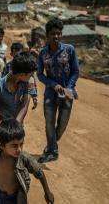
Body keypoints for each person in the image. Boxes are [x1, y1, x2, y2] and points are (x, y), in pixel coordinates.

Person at [0, 119, 54, 204]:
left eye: (21, 144)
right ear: (2, 146)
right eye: (14, 146)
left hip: (14, 199)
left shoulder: (24, 158)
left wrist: (47, 192)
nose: (19, 149)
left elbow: (39, 172)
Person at [37, 18, 79, 163]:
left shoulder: (69, 50)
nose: (56, 36)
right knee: (49, 122)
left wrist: (69, 87)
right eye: (53, 34)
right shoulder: (42, 53)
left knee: (62, 125)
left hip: (67, 94)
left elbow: (75, 71)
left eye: (59, 33)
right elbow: (40, 74)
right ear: (47, 35)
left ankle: (50, 146)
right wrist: (53, 84)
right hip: (50, 93)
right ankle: (52, 152)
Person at [0, 52, 37, 124]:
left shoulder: (26, 83)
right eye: (31, 74)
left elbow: (24, 105)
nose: (32, 76)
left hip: (17, 124)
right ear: (22, 74)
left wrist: (16, 125)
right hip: (1, 127)